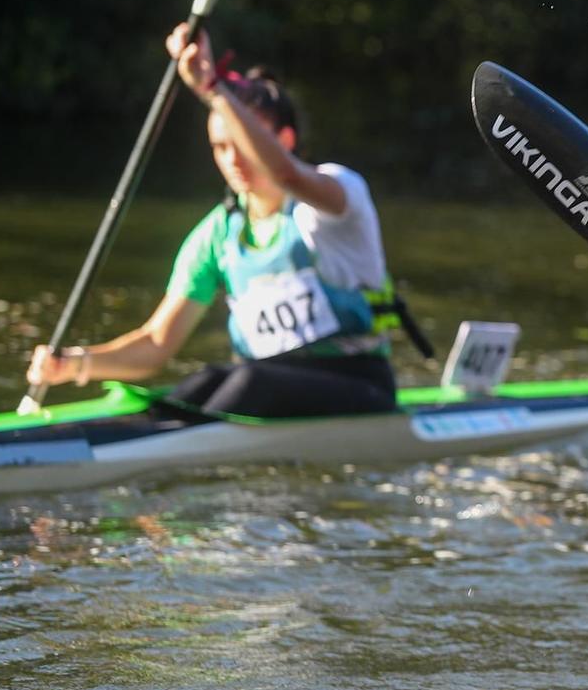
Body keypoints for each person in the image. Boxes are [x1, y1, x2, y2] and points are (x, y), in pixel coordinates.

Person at [26, 24, 423, 417]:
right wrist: (76, 363)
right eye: (219, 147)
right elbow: (157, 343)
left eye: (242, 144)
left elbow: (287, 175)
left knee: (247, 381)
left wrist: (211, 87)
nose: (232, 160)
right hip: (264, 385)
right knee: (206, 380)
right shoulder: (219, 232)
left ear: (282, 140)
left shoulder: (334, 195)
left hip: (361, 384)